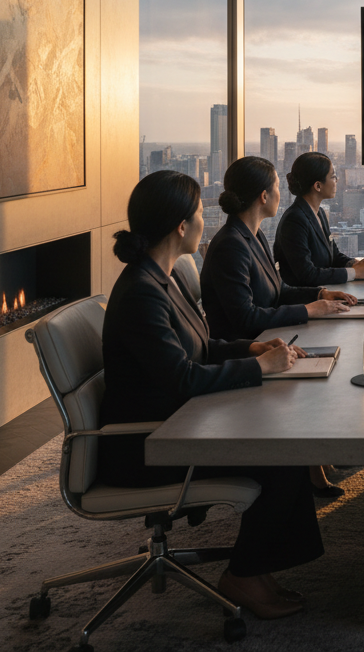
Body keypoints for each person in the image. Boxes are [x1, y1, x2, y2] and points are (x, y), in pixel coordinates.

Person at [98, 170, 323, 620]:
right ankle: (243, 574)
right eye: (201, 212)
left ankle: (257, 566)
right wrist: (259, 368)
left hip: (178, 420)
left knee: (286, 447)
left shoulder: (161, 277)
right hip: (150, 443)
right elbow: (183, 377)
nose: (208, 219)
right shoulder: (143, 293)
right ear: (181, 225)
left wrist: (250, 348)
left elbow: (198, 346)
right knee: (284, 455)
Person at [201, 156, 354, 342]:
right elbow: (245, 317)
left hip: (270, 337)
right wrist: (308, 310)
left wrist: (320, 294)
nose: (281, 194)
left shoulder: (254, 235)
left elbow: (279, 289)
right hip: (252, 348)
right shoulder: (230, 246)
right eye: (277, 187)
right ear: (264, 196)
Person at [274, 152, 364, 287]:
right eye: (333, 177)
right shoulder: (294, 221)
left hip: (325, 291)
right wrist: (355, 272)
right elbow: (307, 274)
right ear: (318, 186)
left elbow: (333, 255)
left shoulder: (319, 213)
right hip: (307, 297)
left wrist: (356, 264)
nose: (337, 180)